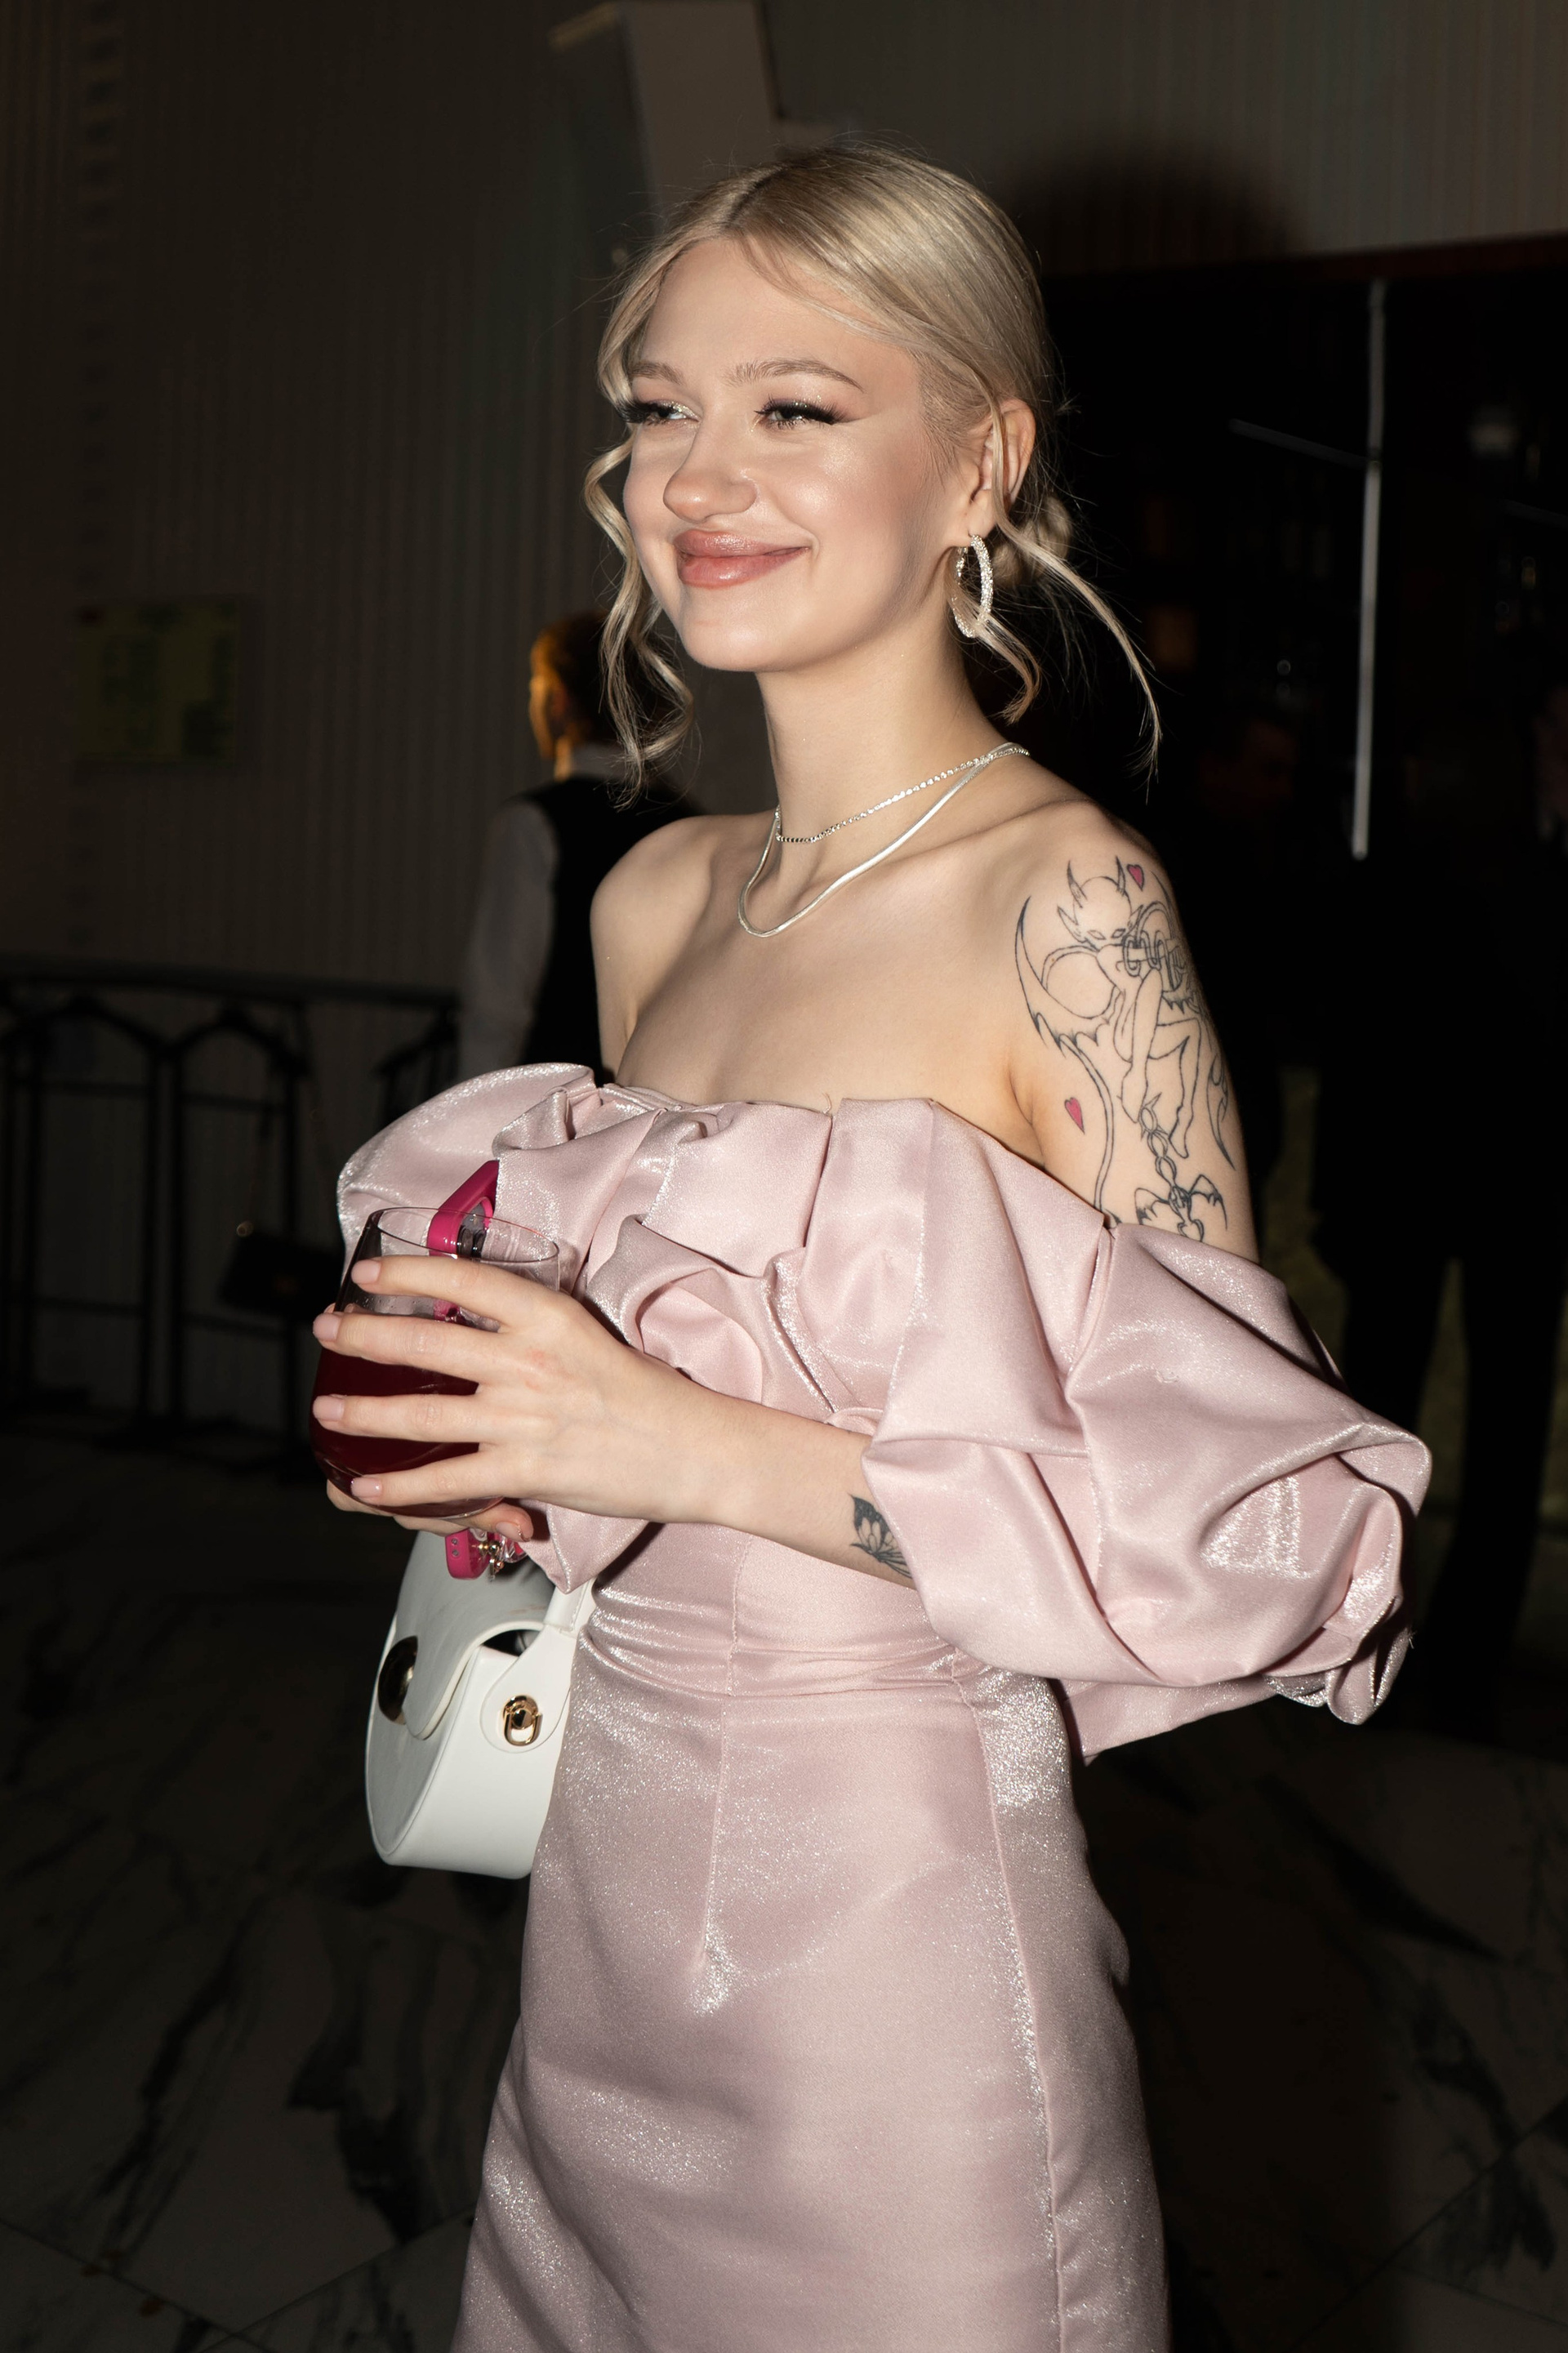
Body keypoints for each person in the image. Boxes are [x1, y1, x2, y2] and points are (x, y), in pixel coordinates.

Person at [312, 148, 1427, 2352]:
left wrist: (683, 1443)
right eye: (659, 406)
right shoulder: (659, 900)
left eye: (794, 407)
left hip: (897, 1980)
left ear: (979, 463)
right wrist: (512, 1458)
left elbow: (1270, 1533)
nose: (693, 475)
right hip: (599, 1919)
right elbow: (660, 1417)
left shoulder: (1063, 905)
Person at [1315, 672, 1568, 1739]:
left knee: (1410, 1421)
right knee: (1459, 1425)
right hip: (1481, 1193)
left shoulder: (1412, 880)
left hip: (1450, 1193)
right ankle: (1418, 1652)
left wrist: (1338, 1195)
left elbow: (1359, 1056)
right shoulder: (1506, 881)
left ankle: (1380, 1644)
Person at [457, 610, 677, 1080]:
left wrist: (473, 1113)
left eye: (536, 687)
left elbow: (498, 1005)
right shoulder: (692, 824)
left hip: (553, 1101)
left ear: (559, 700)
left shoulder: (534, 824)